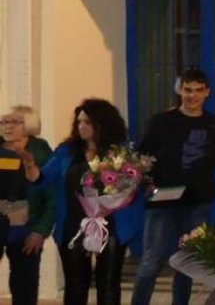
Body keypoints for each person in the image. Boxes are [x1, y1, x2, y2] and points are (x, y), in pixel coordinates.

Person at [25, 100, 137, 305]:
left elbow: (133, 188)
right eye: (79, 122)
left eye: (87, 122)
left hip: (111, 226)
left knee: (109, 285)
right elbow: (41, 180)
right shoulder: (66, 151)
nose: (81, 126)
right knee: (76, 286)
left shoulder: (121, 153)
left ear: (102, 124)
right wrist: (30, 166)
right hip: (73, 225)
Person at [130, 68, 215, 305]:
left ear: (207, 93)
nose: (192, 96)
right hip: (162, 202)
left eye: (198, 90)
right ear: (180, 90)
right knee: (151, 262)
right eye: (187, 90)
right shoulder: (161, 121)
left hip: (198, 203)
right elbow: (141, 156)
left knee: (186, 263)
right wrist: (147, 179)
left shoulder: (214, 124)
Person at [0, 106, 53, 305]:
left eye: (16, 122)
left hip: (27, 224)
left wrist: (41, 230)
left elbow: (51, 194)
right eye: (5, 121)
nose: (8, 126)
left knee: (24, 282)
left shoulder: (40, 151)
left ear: (28, 126)